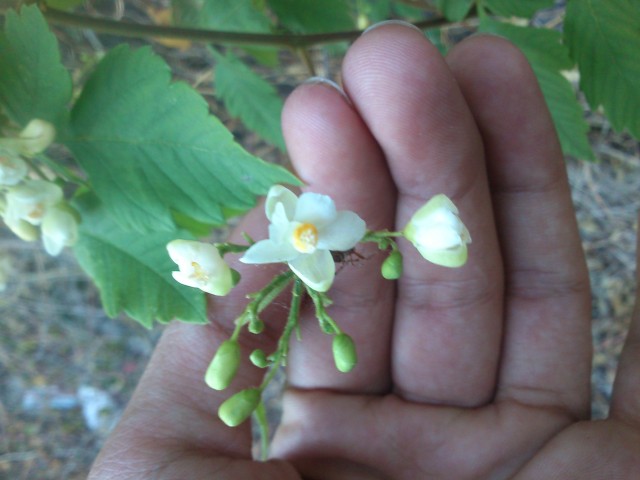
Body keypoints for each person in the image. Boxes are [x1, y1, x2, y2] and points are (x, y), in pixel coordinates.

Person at [88, 22, 640, 479]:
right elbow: (311, 250)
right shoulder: (294, 250)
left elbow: (326, 241)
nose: (302, 238)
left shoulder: (319, 242)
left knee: (397, 94)